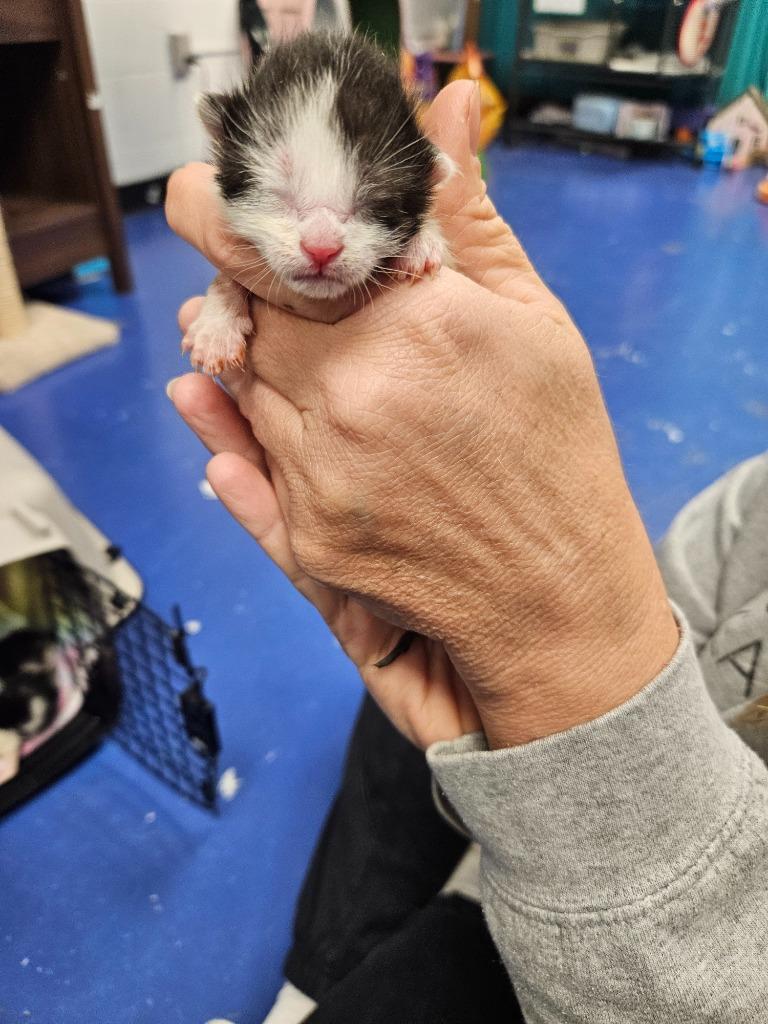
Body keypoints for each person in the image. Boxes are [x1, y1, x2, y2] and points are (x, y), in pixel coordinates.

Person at [165, 81, 768, 1022]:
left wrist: (549, 656)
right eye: (284, 203)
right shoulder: (753, 508)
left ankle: (332, 978)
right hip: (570, 795)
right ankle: (315, 971)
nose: (321, 241)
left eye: (367, 202)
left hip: (652, 934)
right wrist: (226, 299)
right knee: (390, 696)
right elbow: (671, 596)